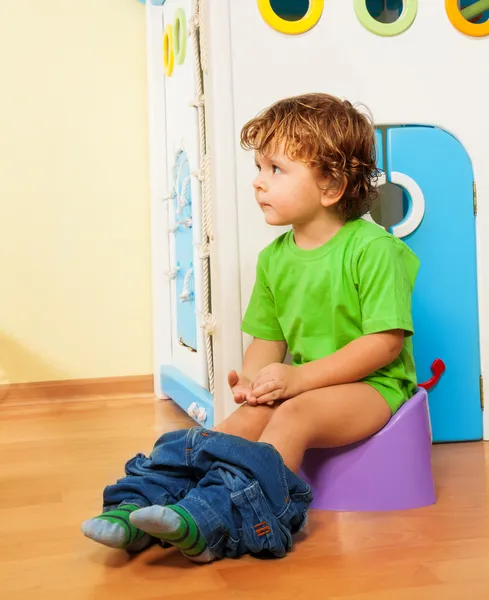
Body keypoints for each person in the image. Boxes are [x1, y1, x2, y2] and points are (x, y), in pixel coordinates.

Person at [81, 93, 419, 563]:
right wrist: (254, 381)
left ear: (331, 185)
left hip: (373, 388)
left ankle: (224, 519)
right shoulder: (274, 259)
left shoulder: (373, 249)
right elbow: (268, 340)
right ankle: (148, 499)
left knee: (293, 416)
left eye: (275, 170)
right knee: (237, 424)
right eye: (258, 168)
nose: (258, 183)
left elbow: (384, 344)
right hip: (308, 385)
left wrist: (298, 379)